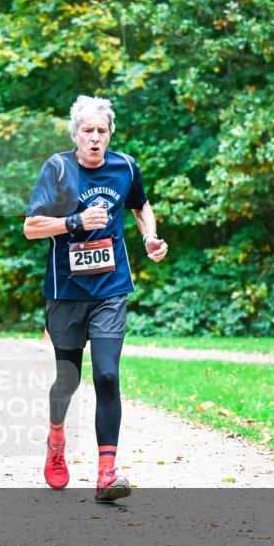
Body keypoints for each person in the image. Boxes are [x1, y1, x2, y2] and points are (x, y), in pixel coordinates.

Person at [23, 94, 169, 503]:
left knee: (107, 375)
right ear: (74, 134)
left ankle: (107, 474)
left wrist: (149, 238)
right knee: (66, 382)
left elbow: (141, 206)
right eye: (87, 130)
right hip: (65, 291)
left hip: (110, 289)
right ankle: (56, 441)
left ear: (110, 135)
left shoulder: (125, 166)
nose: (94, 138)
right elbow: (31, 227)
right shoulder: (57, 168)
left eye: (101, 131)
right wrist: (74, 222)